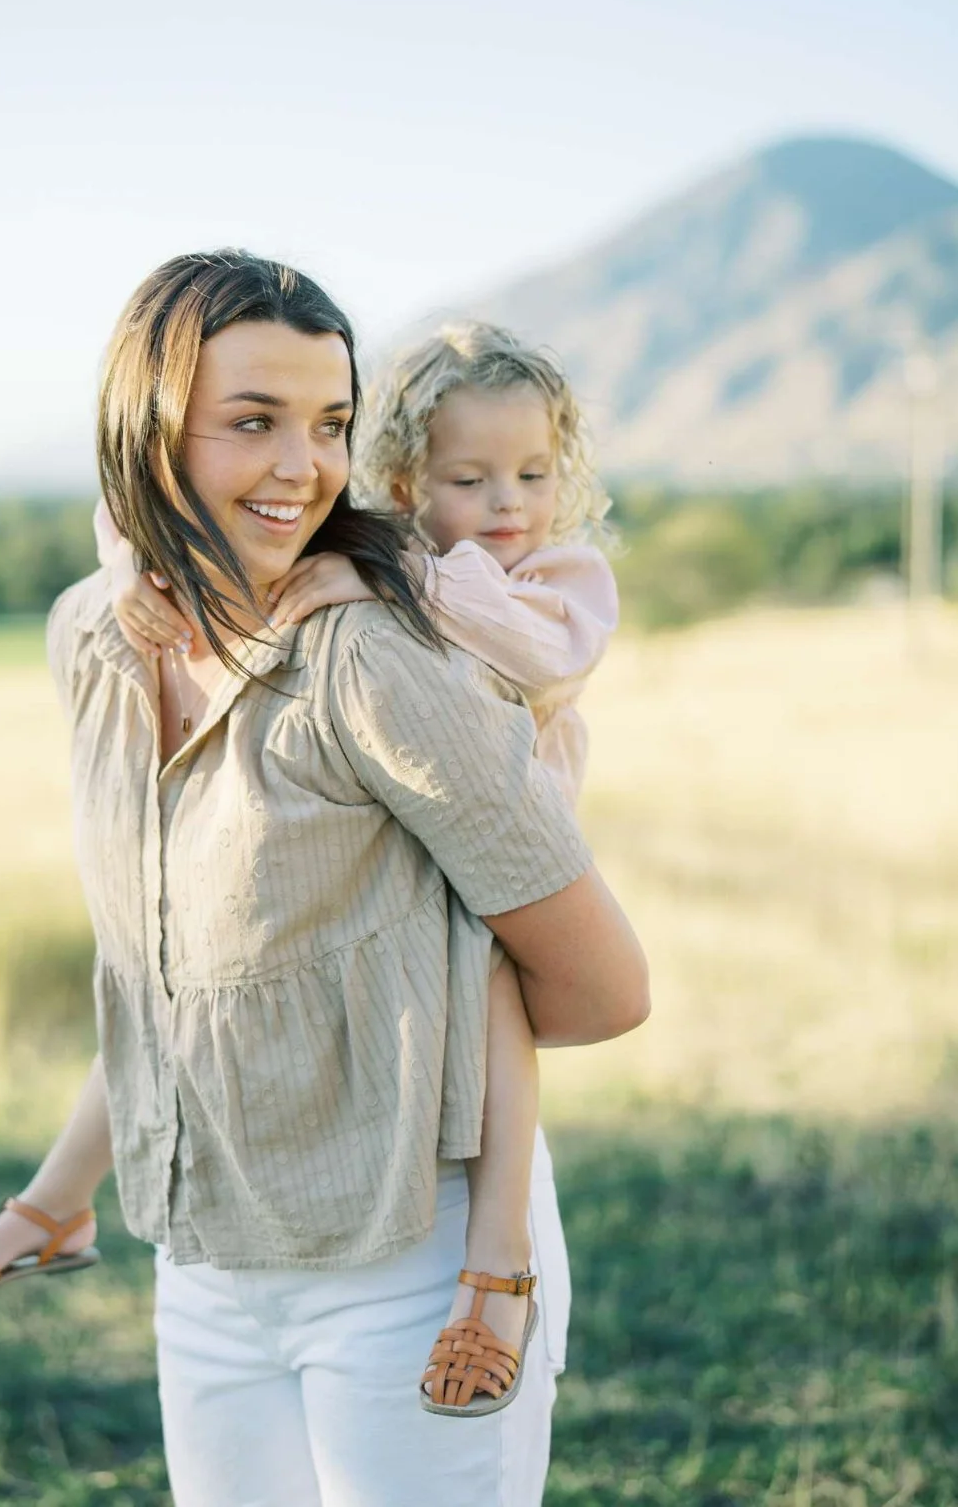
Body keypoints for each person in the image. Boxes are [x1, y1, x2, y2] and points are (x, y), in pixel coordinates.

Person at [0, 251, 648, 1506]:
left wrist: (404, 1022)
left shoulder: (371, 654)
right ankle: (53, 1205)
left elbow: (602, 987)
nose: (305, 467)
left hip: (411, 1270)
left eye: (330, 425)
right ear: (146, 432)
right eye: (253, 421)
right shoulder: (87, 641)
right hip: (203, 1259)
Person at [96, 319, 620, 1417]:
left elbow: (539, 650)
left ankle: (499, 1262)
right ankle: (52, 1198)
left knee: (485, 994)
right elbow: (124, 509)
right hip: (234, 1263)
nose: (508, 502)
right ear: (408, 479)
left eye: (533, 473)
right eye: (470, 478)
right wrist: (123, 574)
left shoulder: (540, 579)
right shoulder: (377, 557)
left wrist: (383, 583)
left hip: (520, 799)